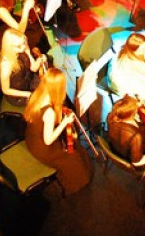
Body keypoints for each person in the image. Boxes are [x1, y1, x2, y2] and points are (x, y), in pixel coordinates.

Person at [23, 67, 93, 196]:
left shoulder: (36, 95)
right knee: (75, 159)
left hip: (31, 139)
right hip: (43, 149)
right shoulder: (48, 112)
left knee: (74, 145)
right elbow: (48, 140)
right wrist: (65, 122)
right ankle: (75, 183)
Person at [0, 27, 47, 107]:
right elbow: (6, 90)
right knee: (45, 102)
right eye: (19, 46)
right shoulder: (6, 64)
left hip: (28, 82)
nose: (24, 47)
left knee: (50, 85)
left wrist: (40, 59)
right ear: (9, 47)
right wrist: (29, 94)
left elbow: (33, 68)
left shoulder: (23, 47)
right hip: (19, 95)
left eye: (23, 43)